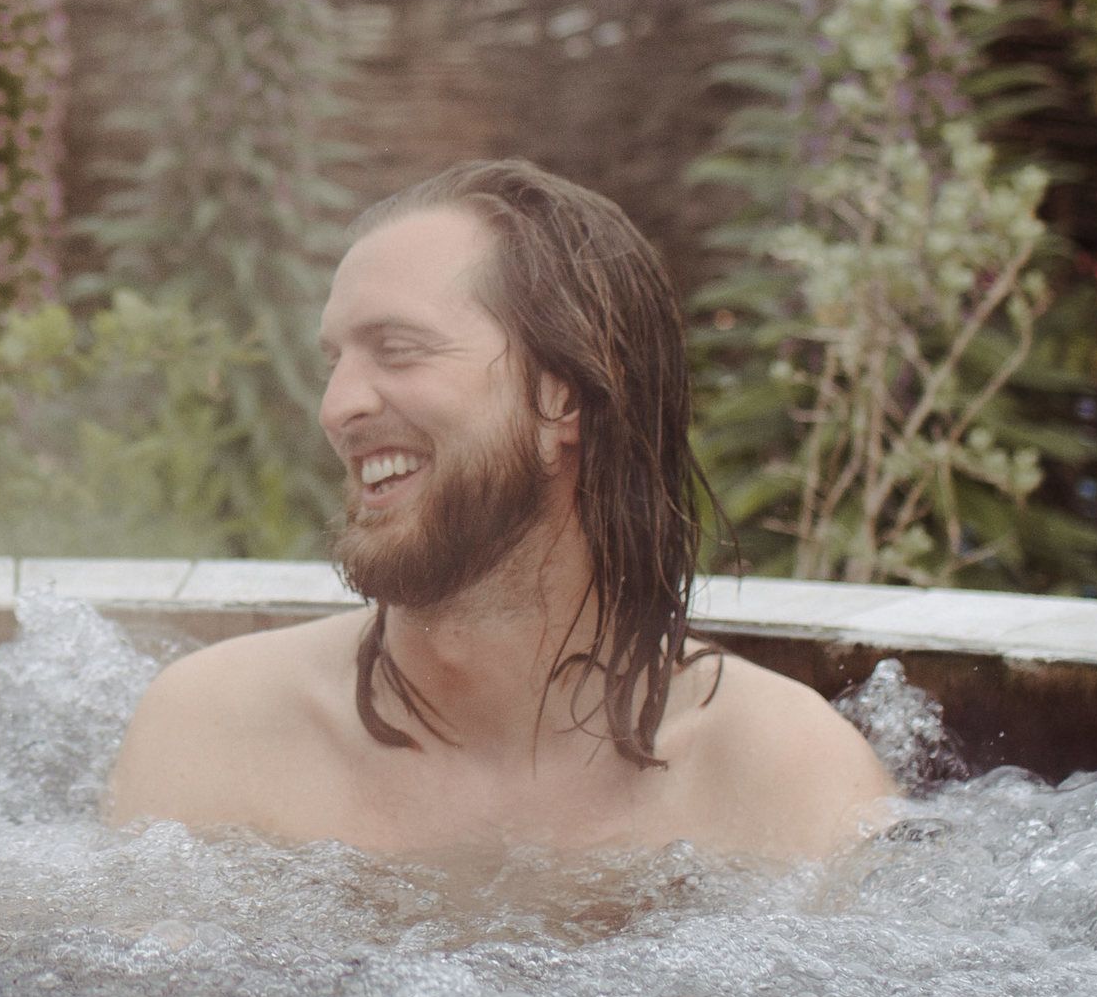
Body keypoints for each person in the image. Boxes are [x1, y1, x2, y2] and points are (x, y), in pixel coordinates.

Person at [103, 160, 890, 860]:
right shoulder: (216, 738)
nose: (336, 406)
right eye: (335, 360)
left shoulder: (783, 781)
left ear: (563, 398)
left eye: (398, 348)